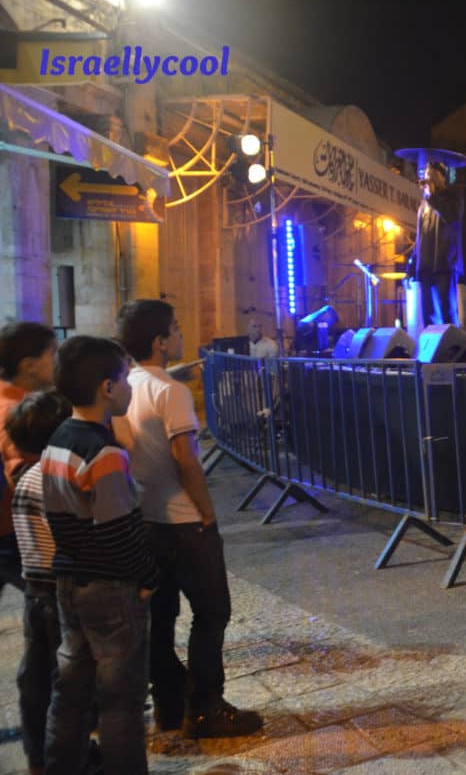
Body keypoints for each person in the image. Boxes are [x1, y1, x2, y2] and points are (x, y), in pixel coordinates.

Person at [113, 299, 263, 739]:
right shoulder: (170, 390)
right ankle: (206, 708)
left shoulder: (127, 385)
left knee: (160, 616)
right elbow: (187, 460)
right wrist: (207, 513)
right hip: (181, 520)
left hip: (144, 519)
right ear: (160, 342)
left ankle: (168, 703)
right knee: (212, 613)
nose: (181, 336)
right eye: (175, 329)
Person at [42, 336, 158, 774]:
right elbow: (117, 532)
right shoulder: (105, 452)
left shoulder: (58, 439)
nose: (130, 388)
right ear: (107, 388)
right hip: (111, 589)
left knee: (69, 694)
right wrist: (148, 575)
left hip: (70, 582)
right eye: (126, 380)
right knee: (122, 701)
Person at [6, 391, 71, 775]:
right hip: (56, 589)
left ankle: (44, 757)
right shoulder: (50, 479)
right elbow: (69, 541)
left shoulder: (27, 476)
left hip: (35, 591)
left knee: (42, 673)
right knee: (65, 682)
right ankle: (63, 758)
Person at [0, 322, 57, 599]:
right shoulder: (16, 413)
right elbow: (22, 473)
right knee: (51, 604)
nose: (57, 362)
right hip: (12, 530)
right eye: (53, 354)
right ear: (29, 365)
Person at [413, 161, 464, 326]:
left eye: (433, 176)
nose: (429, 180)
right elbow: (420, 235)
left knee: (446, 310)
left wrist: (433, 196)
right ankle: (433, 347)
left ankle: (453, 346)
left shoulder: (453, 196)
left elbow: (451, 217)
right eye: (427, 176)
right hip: (425, 266)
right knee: (428, 312)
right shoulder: (424, 203)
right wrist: (413, 265)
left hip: (444, 264)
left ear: (442, 177)